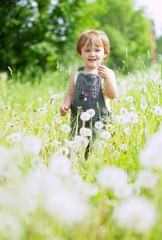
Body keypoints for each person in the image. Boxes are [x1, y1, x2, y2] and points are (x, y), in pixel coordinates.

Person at [60, 29, 118, 159]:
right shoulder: (76, 74)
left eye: (97, 50)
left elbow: (112, 95)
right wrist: (65, 105)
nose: (92, 54)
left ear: (105, 53)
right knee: (74, 154)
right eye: (87, 50)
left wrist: (108, 79)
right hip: (78, 123)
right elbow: (70, 94)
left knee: (96, 155)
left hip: (100, 123)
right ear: (80, 53)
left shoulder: (107, 74)